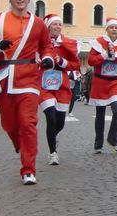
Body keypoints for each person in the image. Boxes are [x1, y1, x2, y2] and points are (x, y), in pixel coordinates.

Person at [0, 0, 53, 185]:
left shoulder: (37, 24)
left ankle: (28, 169)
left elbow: (47, 46)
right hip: (5, 76)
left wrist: (48, 58)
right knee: (9, 123)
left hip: (29, 77)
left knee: (28, 123)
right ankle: (18, 142)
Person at [38, 14, 80, 165]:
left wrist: (61, 61)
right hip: (44, 83)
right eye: (54, 24)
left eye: (59, 24)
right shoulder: (39, 42)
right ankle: (53, 153)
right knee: (50, 116)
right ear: (48, 26)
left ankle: (52, 138)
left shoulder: (67, 44)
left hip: (61, 84)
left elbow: (75, 65)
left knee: (60, 122)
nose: (57, 27)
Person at [88, 17, 117, 154]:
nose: (114, 29)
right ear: (107, 29)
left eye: (116, 27)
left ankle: (113, 138)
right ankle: (98, 143)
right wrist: (105, 55)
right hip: (101, 81)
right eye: (111, 27)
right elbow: (91, 61)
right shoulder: (98, 42)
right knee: (100, 114)